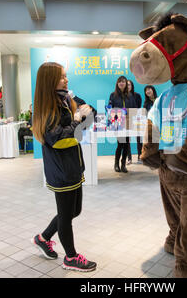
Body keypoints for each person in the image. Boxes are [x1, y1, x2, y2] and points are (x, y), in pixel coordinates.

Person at [31, 62, 96, 272]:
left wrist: (85, 113)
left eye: (66, 76)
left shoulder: (65, 99)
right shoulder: (46, 109)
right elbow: (58, 139)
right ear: (50, 81)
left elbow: (87, 118)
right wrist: (78, 119)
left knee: (74, 211)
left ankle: (43, 238)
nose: (66, 80)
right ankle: (71, 257)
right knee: (67, 216)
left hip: (73, 166)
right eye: (62, 77)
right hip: (61, 170)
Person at [108, 76, 135, 173]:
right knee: (120, 144)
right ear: (117, 84)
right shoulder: (113, 95)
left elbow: (133, 109)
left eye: (123, 82)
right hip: (118, 124)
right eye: (120, 82)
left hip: (128, 124)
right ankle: (116, 164)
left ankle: (123, 164)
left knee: (127, 144)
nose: (121, 83)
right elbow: (110, 109)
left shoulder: (130, 96)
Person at [126, 80, 143, 164]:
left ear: (132, 86)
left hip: (136, 119)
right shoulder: (123, 96)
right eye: (126, 85)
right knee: (127, 139)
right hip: (126, 120)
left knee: (139, 138)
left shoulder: (137, 95)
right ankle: (129, 158)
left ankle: (140, 156)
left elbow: (139, 107)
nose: (128, 86)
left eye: (129, 84)